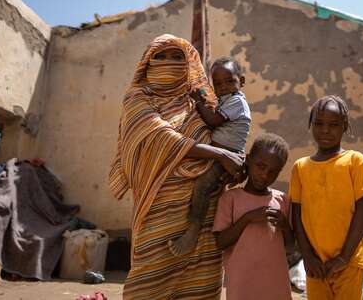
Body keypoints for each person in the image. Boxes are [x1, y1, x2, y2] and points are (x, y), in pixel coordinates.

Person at [109, 34, 245, 299]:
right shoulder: (137, 98)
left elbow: (226, 132)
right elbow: (160, 136)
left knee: (199, 282)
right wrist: (218, 155)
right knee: (149, 278)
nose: (170, 62)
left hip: (204, 206)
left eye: (177, 57)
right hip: (158, 203)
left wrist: (232, 160)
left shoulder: (198, 101)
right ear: (148, 63)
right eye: (162, 56)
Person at [290, 95, 363, 300]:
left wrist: (343, 258)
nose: (325, 130)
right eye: (318, 124)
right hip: (316, 264)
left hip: (349, 262)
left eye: (333, 125)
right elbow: (297, 217)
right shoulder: (300, 168)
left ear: (344, 126)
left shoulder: (355, 161)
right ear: (311, 125)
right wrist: (308, 257)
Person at [169, 56, 252, 256]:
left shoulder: (237, 101)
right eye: (219, 83)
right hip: (220, 153)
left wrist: (198, 102)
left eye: (230, 81)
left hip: (227, 156)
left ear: (241, 81)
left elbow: (213, 120)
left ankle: (194, 228)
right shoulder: (226, 99)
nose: (224, 86)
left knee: (202, 186)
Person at [212, 133, 294, 300]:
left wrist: (285, 226)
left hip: (275, 284)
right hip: (242, 284)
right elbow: (221, 242)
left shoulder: (282, 201)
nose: (264, 175)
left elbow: (291, 247)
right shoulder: (230, 198)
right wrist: (247, 218)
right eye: (260, 166)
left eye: (272, 172)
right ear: (248, 160)